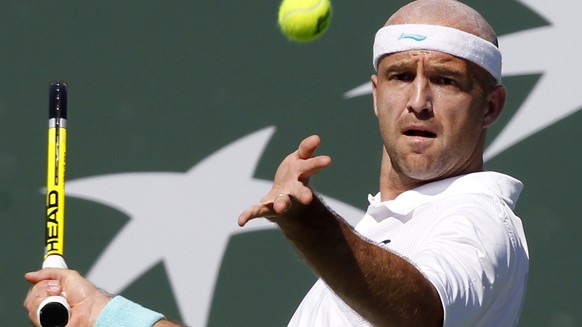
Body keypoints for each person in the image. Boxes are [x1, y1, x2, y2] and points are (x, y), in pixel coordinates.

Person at [24, 0, 529, 326]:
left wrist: (311, 226)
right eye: (400, 77)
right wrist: (107, 315)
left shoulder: (479, 220)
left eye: (445, 80)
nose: (418, 101)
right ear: (376, 95)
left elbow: (419, 313)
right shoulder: (387, 233)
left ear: (490, 106)